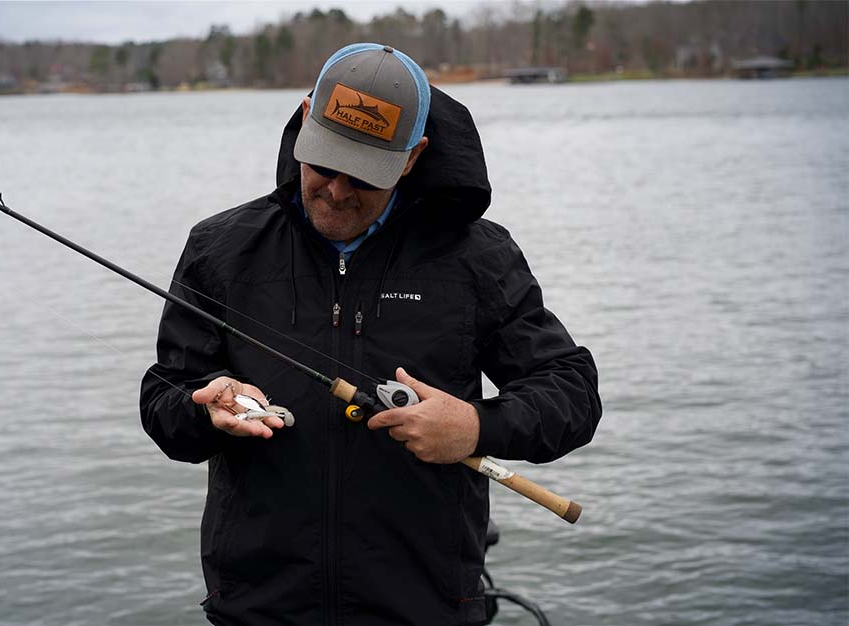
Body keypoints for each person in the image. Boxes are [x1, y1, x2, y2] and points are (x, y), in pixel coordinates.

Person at [140, 43, 601, 626]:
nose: (336, 191)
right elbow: (164, 399)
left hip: (425, 609)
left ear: (412, 158)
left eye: (363, 177)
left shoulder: (477, 258)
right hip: (259, 611)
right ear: (306, 121)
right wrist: (204, 411)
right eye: (324, 165)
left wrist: (476, 426)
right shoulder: (221, 249)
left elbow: (574, 393)